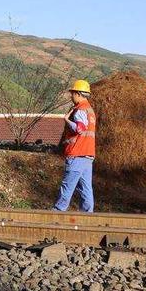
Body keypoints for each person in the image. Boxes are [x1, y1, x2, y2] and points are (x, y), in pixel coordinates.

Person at [53, 79, 97, 213]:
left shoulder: (80, 110)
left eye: (72, 93)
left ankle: (57, 212)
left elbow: (80, 129)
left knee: (67, 186)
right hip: (88, 155)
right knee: (86, 189)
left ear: (78, 93)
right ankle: (87, 216)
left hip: (77, 154)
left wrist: (66, 120)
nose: (71, 96)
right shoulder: (90, 111)